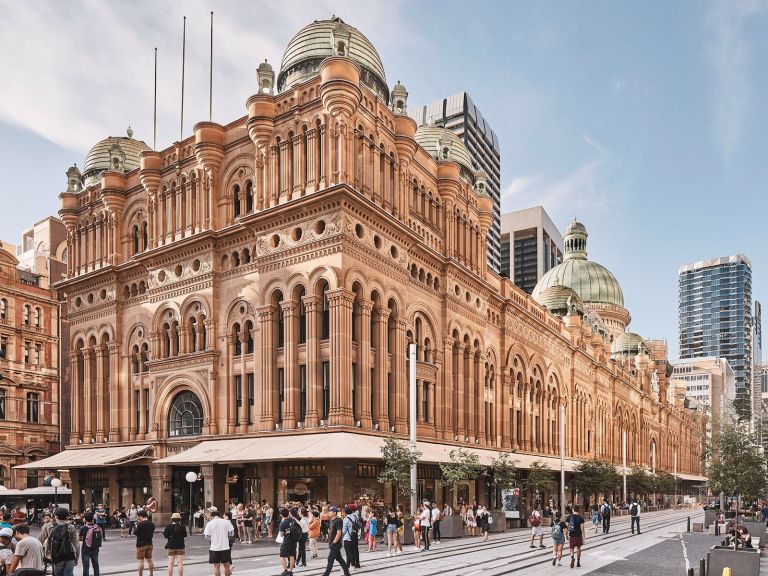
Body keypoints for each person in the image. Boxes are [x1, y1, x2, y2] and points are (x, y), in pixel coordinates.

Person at [45, 508, 80, 576]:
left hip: (56, 555)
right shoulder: (71, 527)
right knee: (69, 573)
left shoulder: (49, 526)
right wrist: (76, 558)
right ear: (67, 517)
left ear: (56, 516)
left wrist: (46, 556)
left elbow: (41, 540)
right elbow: (76, 544)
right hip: (70, 555)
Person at [204, 507, 233, 576]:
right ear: (219, 515)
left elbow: (206, 536)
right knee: (227, 566)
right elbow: (231, 533)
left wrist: (212, 539)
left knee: (216, 566)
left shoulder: (209, 524)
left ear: (212, 515)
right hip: (225, 547)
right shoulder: (226, 522)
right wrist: (226, 537)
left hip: (214, 548)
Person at [321, 507, 350, 576]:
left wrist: (334, 542)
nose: (329, 512)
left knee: (330, 559)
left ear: (334, 513)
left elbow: (339, 532)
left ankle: (326, 574)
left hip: (335, 544)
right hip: (332, 543)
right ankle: (347, 573)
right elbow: (332, 531)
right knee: (339, 559)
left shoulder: (338, 521)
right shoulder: (332, 520)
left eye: (330, 511)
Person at [79, 512, 103, 576]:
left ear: (85, 519)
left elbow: (79, 538)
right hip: (95, 548)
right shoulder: (97, 527)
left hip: (86, 549)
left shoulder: (83, 528)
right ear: (93, 519)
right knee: (96, 565)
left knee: (86, 567)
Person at [134, 509, 155, 576]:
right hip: (149, 543)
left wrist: (137, 525)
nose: (137, 518)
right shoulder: (152, 524)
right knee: (150, 560)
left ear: (140, 516)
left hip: (141, 544)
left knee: (141, 561)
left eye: (138, 516)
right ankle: (151, 574)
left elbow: (135, 533)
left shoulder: (140, 524)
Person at [276, 508, 296, 576]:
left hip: (286, 541)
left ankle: (285, 571)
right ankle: (290, 572)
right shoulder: (293, 520)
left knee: (282, 556)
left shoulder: (283, 523)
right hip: (293, 541)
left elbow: (281, 534)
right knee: (292, 556)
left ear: (281, 515)